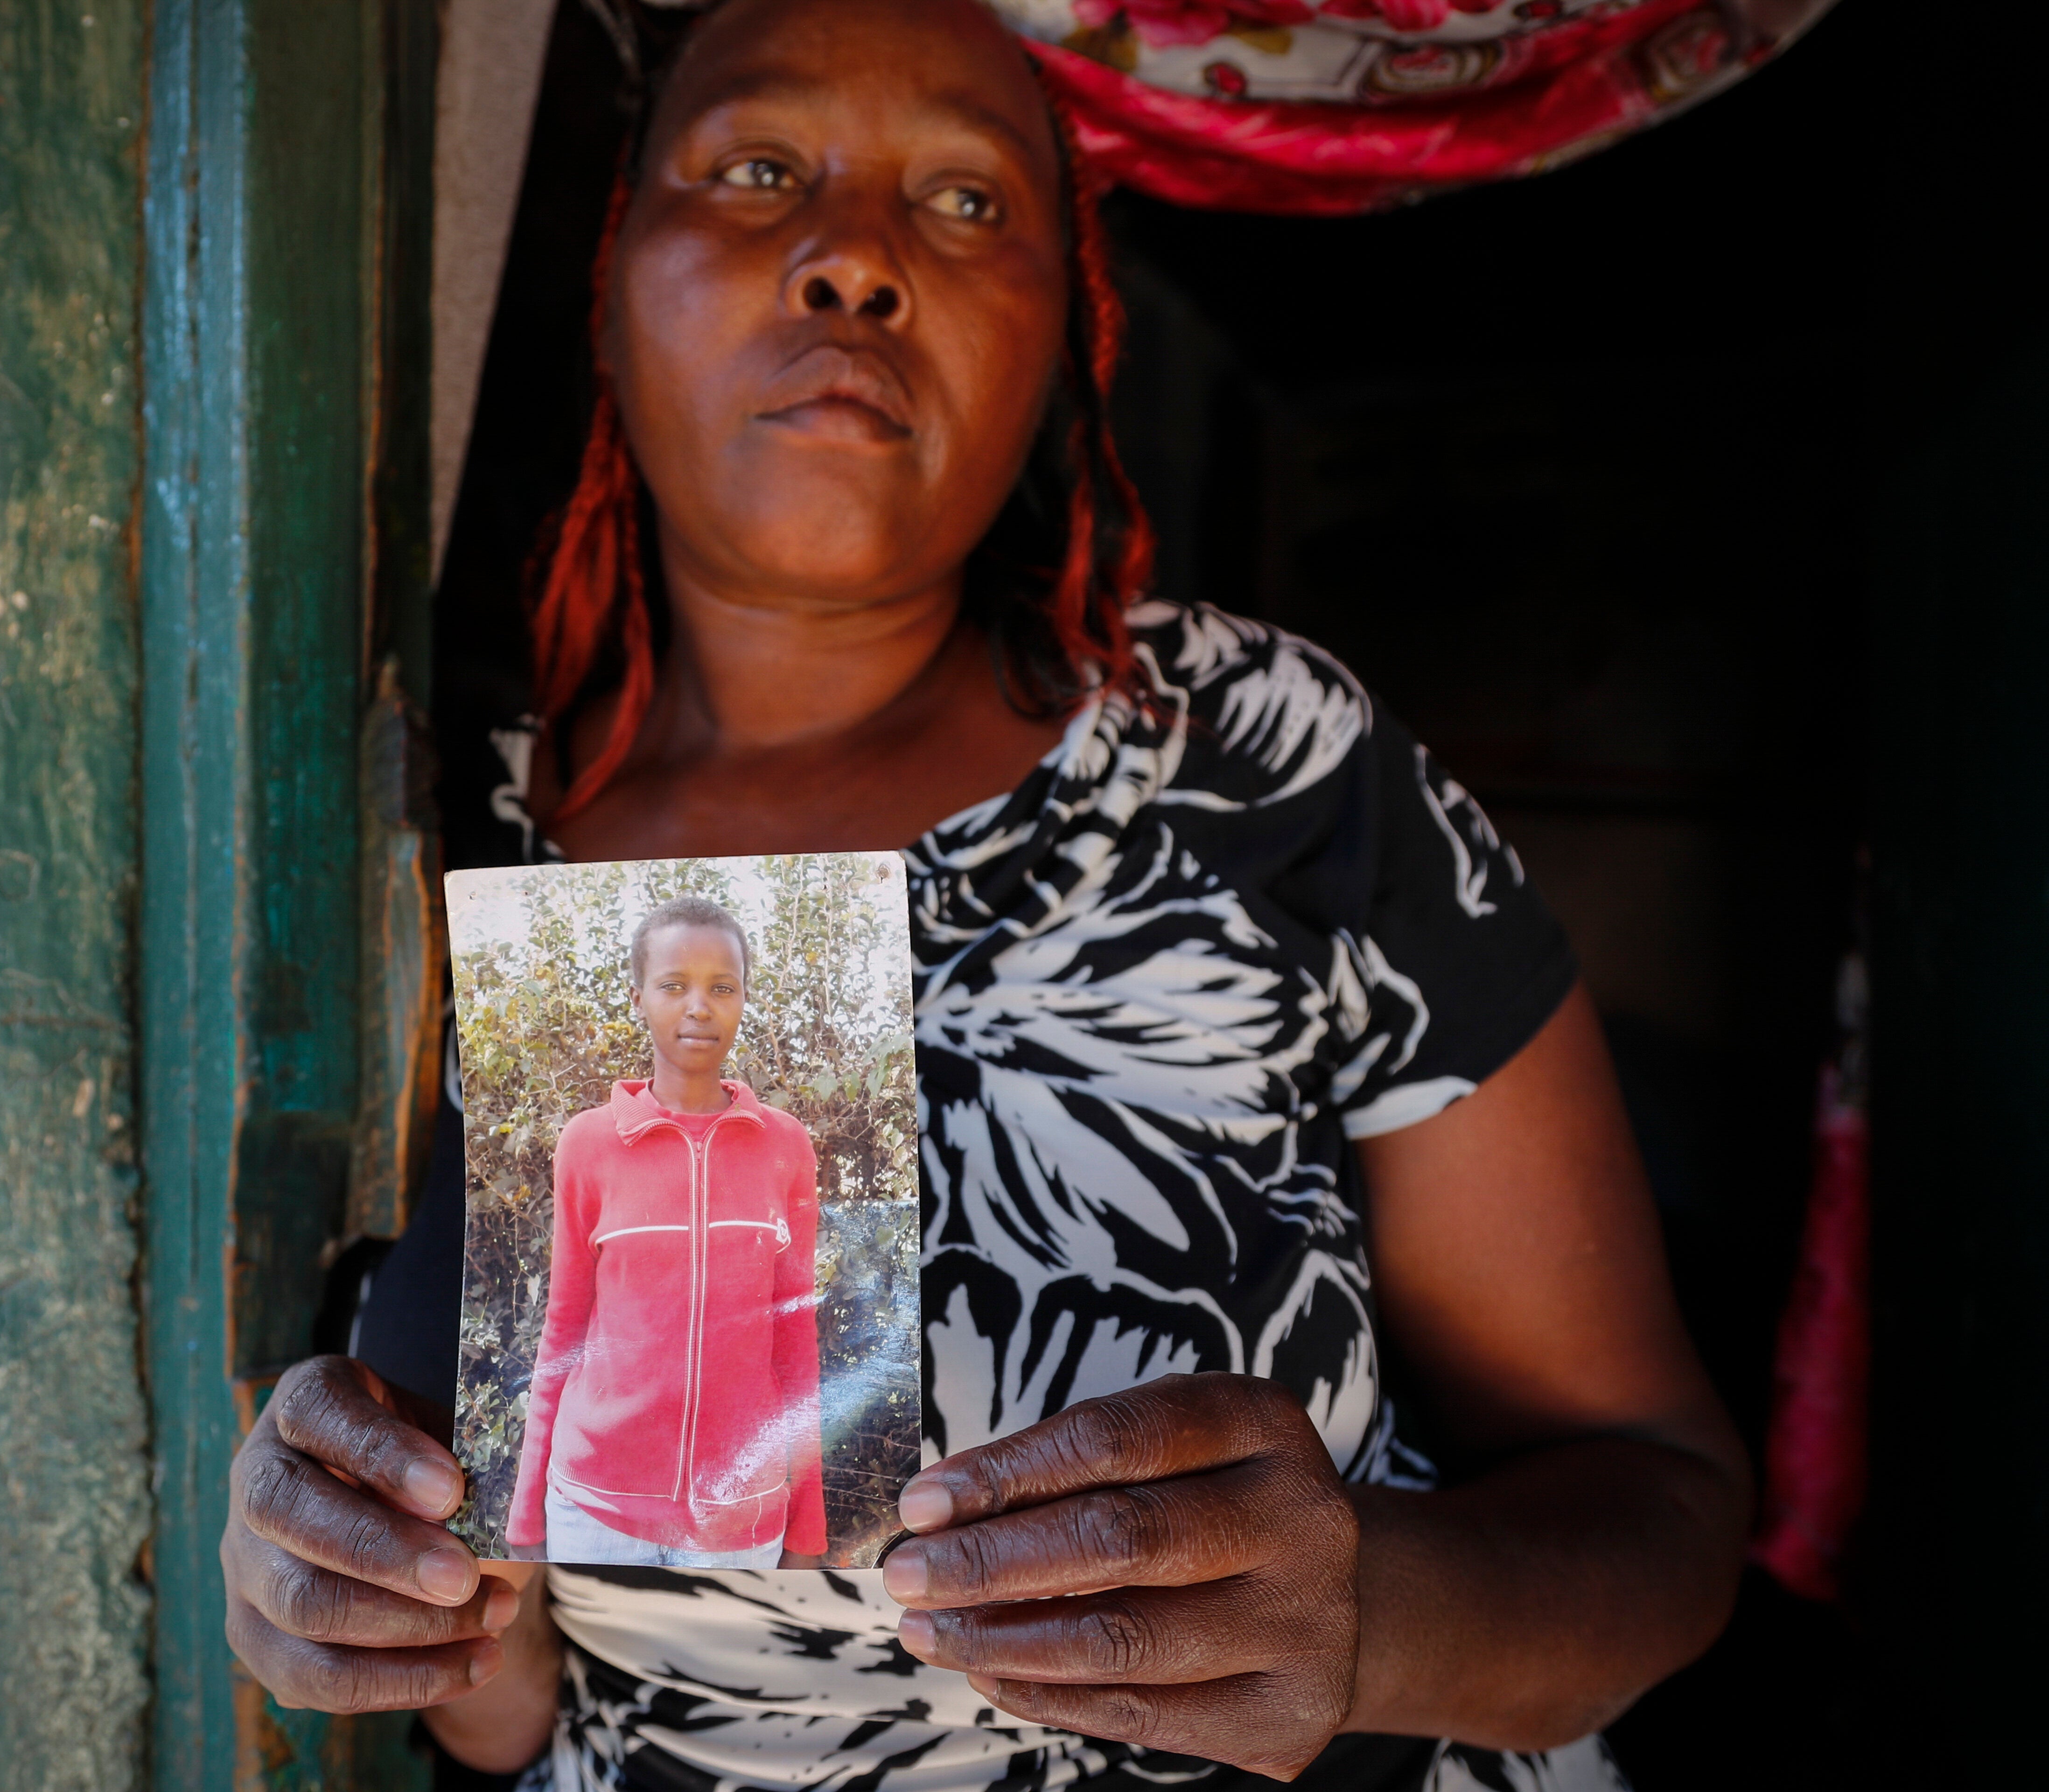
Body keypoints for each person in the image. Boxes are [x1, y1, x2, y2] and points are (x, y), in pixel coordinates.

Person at [220, 0, 1748, 1787]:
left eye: (963, 204)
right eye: (763, 169)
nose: (855, 259)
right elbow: (538, 1703)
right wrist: (383, 1603)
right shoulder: (451, 843)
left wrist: (1377, 1618)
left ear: (1064, 335)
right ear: (615, 269)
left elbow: (1666, 1499)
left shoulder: (1259, 761)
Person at [504, 896, 827, 1570]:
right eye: (674, 985)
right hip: (596, 1511)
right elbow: (563, 1330)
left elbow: (796, 1343)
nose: (699, 1007)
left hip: (738, 1526)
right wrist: (526, 1511)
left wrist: (808, 1526)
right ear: (639, 997)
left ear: (743, 999)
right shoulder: (589, 1145)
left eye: (722, 987)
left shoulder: (786, 1147)